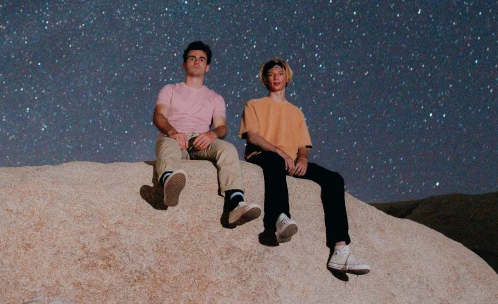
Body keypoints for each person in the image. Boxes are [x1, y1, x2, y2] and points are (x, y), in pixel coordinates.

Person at [239, 58, 370, 275]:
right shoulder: (253, 105)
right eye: (271, 74)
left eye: (280, 73)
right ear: (265, 79)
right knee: (275, 161)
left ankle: (340, 249)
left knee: (334, 179)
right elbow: (253, 137)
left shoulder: (296, 112)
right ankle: (279, 220)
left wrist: (302, 159)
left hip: (290, 161)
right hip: (264, 156)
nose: (276, 78)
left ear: (287, 77)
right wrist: (279, 151)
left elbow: (303, 146)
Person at [153, 41, 261, 227]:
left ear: (207, 67)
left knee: (227, 149)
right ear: (184, 64)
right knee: (167, 143)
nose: (196, 62)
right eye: (192, 58)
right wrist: (172, 132)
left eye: (202, 59)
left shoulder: (215, 97)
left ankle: (236, 202)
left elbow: (222, 128)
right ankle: (169, 182)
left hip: (201, 140)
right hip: (175, 136)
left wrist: (212, 135)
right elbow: (159, 116)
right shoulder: (170, 89)